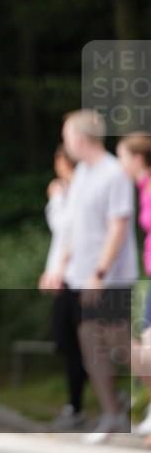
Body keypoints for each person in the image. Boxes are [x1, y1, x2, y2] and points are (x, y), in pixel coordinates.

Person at [50, 110, 137, 444]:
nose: (65, 142)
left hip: (109, 278)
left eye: (67, 135)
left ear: (80, 138)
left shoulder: (113, 173)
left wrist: (99, 272)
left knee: (123, 345)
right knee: (91, 348)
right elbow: (77, 228)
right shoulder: (83, 173)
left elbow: (118, 225)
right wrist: (61, 264)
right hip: (81, 277)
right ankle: (112, 413)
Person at [40, 145, 87, 429]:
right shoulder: (67, 190)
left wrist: (56, 199)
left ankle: (87, 403)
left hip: (79, 277)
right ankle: (77, 404)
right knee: (67, 343)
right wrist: (51, 270)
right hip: (64, 275)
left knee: (83, 344)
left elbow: (67, 230)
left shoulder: (77, 192)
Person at [117, 133, 151, 440]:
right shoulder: (142, 188)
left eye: (122, 156)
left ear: (138, 159)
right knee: (140, 347)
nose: (119, 163)